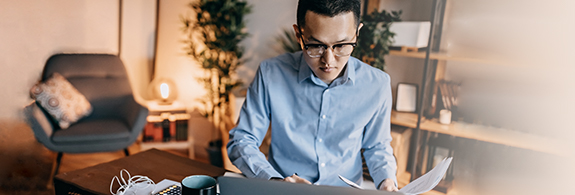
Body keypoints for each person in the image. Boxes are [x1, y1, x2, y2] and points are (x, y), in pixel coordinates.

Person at [227, 0, 398, 191]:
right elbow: (242, 140)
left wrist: (387, 182)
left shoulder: (378, 84)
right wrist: (274, 181)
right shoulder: (270, 74)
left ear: (357, 33)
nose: (328, 61)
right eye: (316, 46)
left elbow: (377, 146)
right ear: (299, 35)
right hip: (285, 190)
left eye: (341, 45)